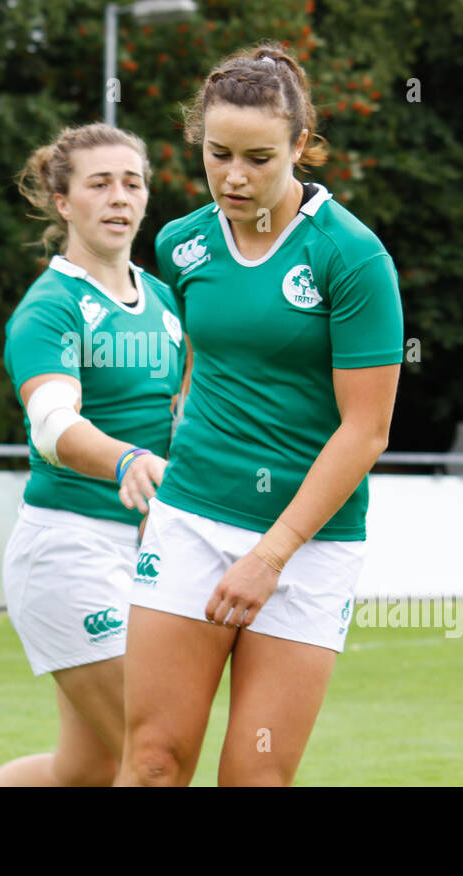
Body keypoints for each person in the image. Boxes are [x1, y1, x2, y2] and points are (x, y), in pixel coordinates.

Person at [117, 44, 404, 786]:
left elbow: (366, 429)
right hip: (191, 519)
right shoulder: (183, 242)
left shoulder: (353, 257)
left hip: (308, 546)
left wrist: (270, 555)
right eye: (218, 154)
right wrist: (160, 482)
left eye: (259, 158)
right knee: (151, 763)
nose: (234, 177)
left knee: (256, 777)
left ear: (301, 146)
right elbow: (190, 374)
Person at [0, 124, 185, 786]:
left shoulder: (164, 299)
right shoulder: (51, 306)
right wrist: (124, 460)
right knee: (153, 758)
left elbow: (184, 415)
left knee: (83, 771)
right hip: (70, 552)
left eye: (133, 182)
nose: (119, 196)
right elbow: (51, 424)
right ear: (63, 201)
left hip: (147, 555)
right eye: (99, 183)